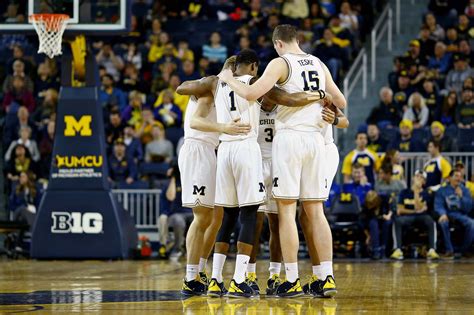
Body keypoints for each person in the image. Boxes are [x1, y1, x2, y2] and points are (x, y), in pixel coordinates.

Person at [178, 48, 329, 297]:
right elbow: (288, 99)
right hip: (245, 149)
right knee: (249, 215)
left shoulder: (217, 85)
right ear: (254, 67)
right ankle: (239, 277)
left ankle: (215, 278)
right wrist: (320, 94)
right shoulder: (255, 84)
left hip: (223, 150)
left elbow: (183, 88)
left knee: (224, 217)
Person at [218, 25, 347, 297]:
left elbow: (252, 94)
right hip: (316, 140)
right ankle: (326, 277)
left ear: (278, 43)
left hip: (290, 138)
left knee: (286, 211)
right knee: (315, 211)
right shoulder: (318, 63)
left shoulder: (280, 62)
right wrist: (325, 105)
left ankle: (290, 279)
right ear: (297, 39)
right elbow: (341, 101)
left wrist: (228, 79)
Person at [391, 173, 440, 260]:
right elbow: (400, 210)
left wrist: (416, 191)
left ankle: (432, 249)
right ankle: (397, 249)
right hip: (408, 217)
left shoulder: (426, 193)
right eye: (417, 176)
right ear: (413, 178)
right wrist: (414, 211)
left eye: (421, 177)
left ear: (424, 182)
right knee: (398, 221)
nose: (418, 179)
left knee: (430, 220)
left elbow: (418, 207)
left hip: (422, 217)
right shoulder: (404, 192)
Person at [435, 170, 474, 258]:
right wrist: (442, 214)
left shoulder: (465, 190)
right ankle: (449, 250)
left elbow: (468, 208)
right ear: (449, 178)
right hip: (447, 213)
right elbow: (438, 204)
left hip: (460, 215)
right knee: (443, 222)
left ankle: (464, 250)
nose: (459, 178)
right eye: (456, 176)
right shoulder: (442, 190)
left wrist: (461, 197)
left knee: (472, 224)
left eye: (460, 176)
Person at [157, 165, 194, 259]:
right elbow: (171, 197)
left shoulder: (190, 180)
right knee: (178, 221)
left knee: (200, 219)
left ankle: (195, 250)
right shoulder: (170, 183)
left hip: (191, 212)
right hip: (177, 213)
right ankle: (178, 248)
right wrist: (173, 178)